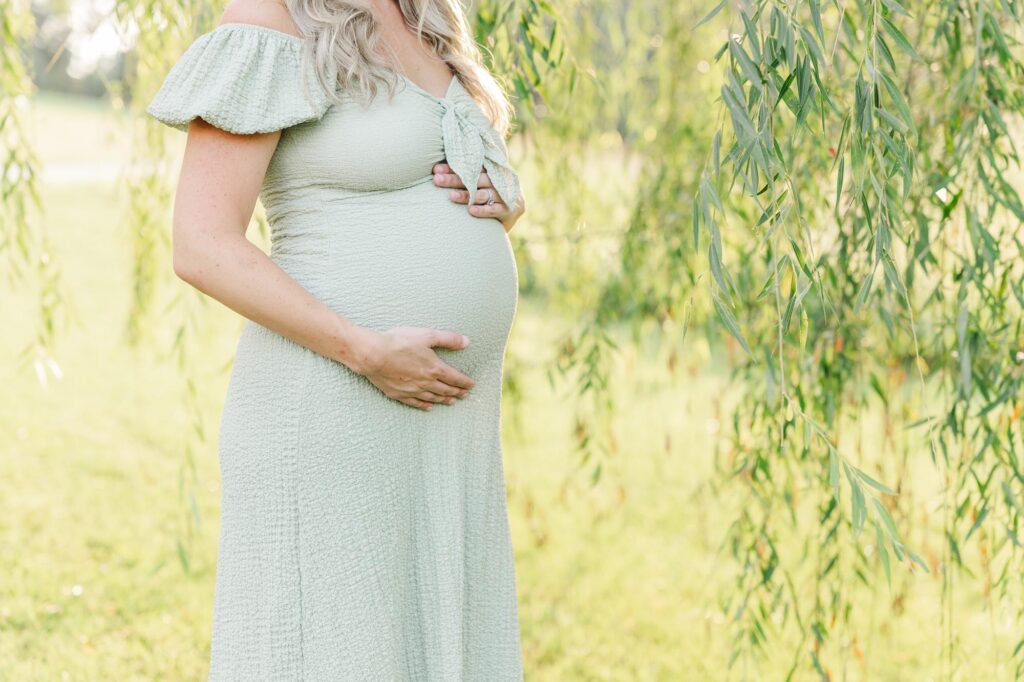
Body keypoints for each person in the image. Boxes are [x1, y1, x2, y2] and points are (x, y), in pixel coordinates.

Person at [146, 0, 527, 678]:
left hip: (444, 425)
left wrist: (500, 200)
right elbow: (201, 244)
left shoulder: (427, 15)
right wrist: (366, 352)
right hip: (336, 400)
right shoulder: (271, 17)